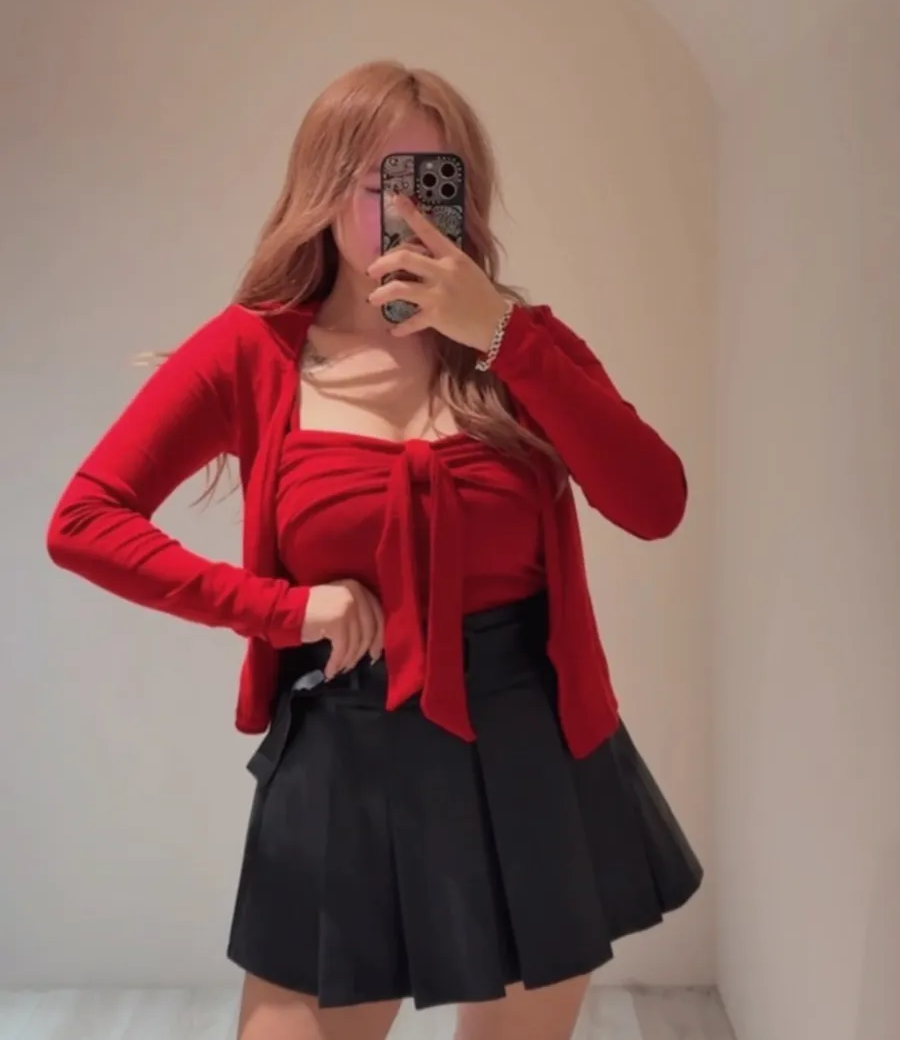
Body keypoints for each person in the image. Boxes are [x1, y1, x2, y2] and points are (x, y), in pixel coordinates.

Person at [46, 60, 703, 1040]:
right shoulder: (253, 351)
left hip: (530, 750)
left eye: (435, 179)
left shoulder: (521, 344)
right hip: (345, 757)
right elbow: (85, 521)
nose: (409, 211)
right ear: (322, 192)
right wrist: (282, 608)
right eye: (379, 182)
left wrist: (503, 336)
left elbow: (655, 504)